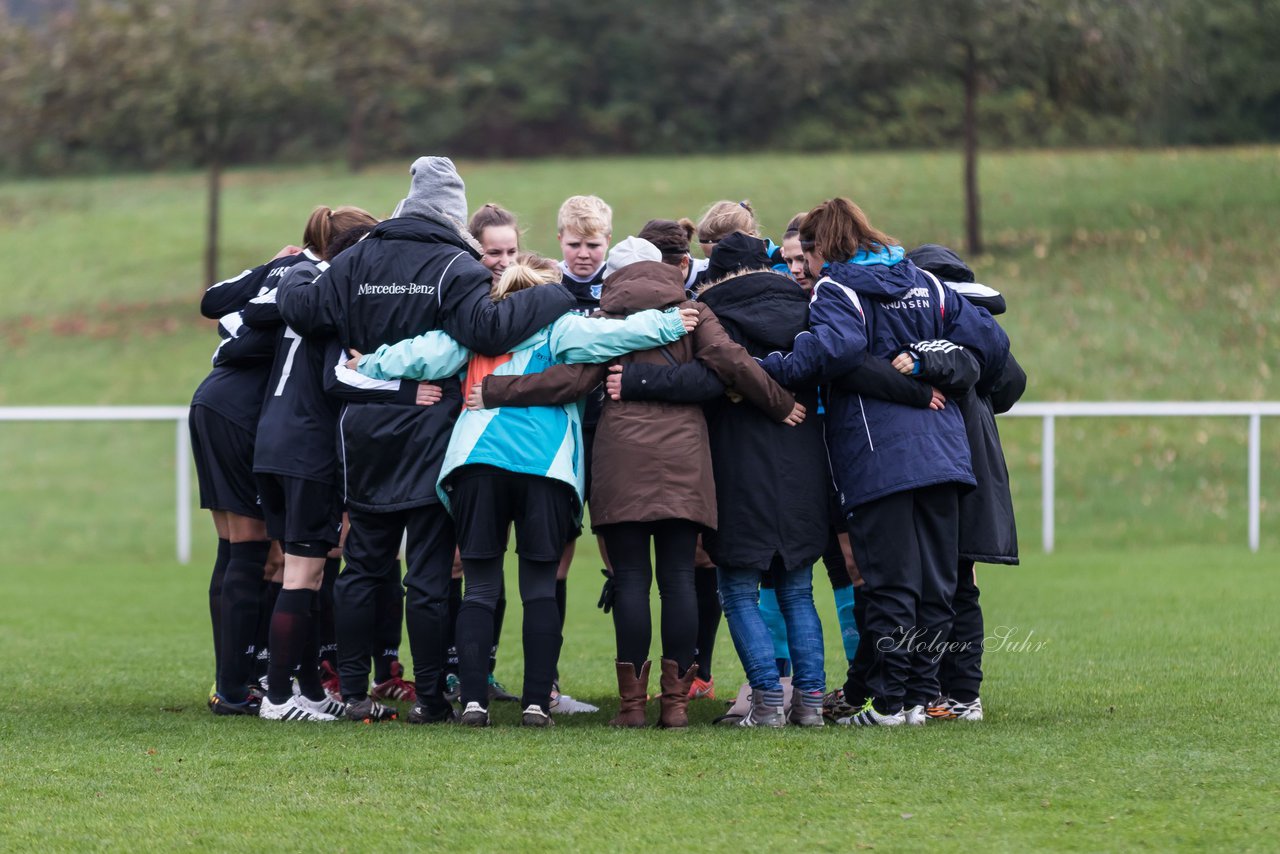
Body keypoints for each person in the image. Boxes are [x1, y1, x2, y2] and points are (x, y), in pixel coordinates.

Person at [278, 155, 576, 724]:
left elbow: (305, 308)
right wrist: (556, 294)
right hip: (434, 432)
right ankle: (434, 697)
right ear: (455, 215)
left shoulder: (354, 259)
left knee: (364, 566)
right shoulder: (455, 266)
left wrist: (294, 270)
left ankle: (352, 690)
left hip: (365, 435)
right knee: (430, 575)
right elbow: (488, 330)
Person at [349, 253, 699, 726]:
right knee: (538, 589)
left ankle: (473, 702)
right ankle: (537, 703)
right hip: (545, 468)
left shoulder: (474, 331)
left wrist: (368, 361)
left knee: (480, 589)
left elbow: (420, 353)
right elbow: (618, 334)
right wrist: (671, 321)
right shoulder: (563, 327)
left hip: (477, 463)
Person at [758, 198, 1009, 726]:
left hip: (878, 457)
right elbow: (991, 345)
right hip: (946, 455)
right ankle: (921, 699)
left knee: (892, 583)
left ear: (824, 246)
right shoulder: (927, 282)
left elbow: (834, 351)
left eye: (808, 255)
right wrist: (937, 361)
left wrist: (765, 367)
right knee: (938, 585)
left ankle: (892, 705)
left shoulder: (839, 287)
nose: (806, 268)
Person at [241, 206, 380, 721]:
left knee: (305, 575)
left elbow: (240, 321)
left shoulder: (301, 290)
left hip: (271, 445)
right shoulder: (333, 304)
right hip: (307, 451)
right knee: (302, 575)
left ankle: (309, 692)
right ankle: (278, 700)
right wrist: (407, 390)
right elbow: (338, 380)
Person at [193, 222, 321, 716]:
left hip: (215, 400)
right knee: (249, 551)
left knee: (234, 550)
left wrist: (269, 272)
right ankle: (233, 688)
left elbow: (222, 316)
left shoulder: (289, 272)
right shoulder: (305, 277)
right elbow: (226, 315)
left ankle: (240, 679)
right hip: (240, 412)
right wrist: (277, 268)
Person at [908, 243, 1027, 723]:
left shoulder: (936, 324)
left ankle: (943, 691)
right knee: (959, 582)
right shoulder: (981, 326)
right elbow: (1013, 384)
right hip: (976, 461)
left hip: (940, 461)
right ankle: (960, 693)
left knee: (937, 582)